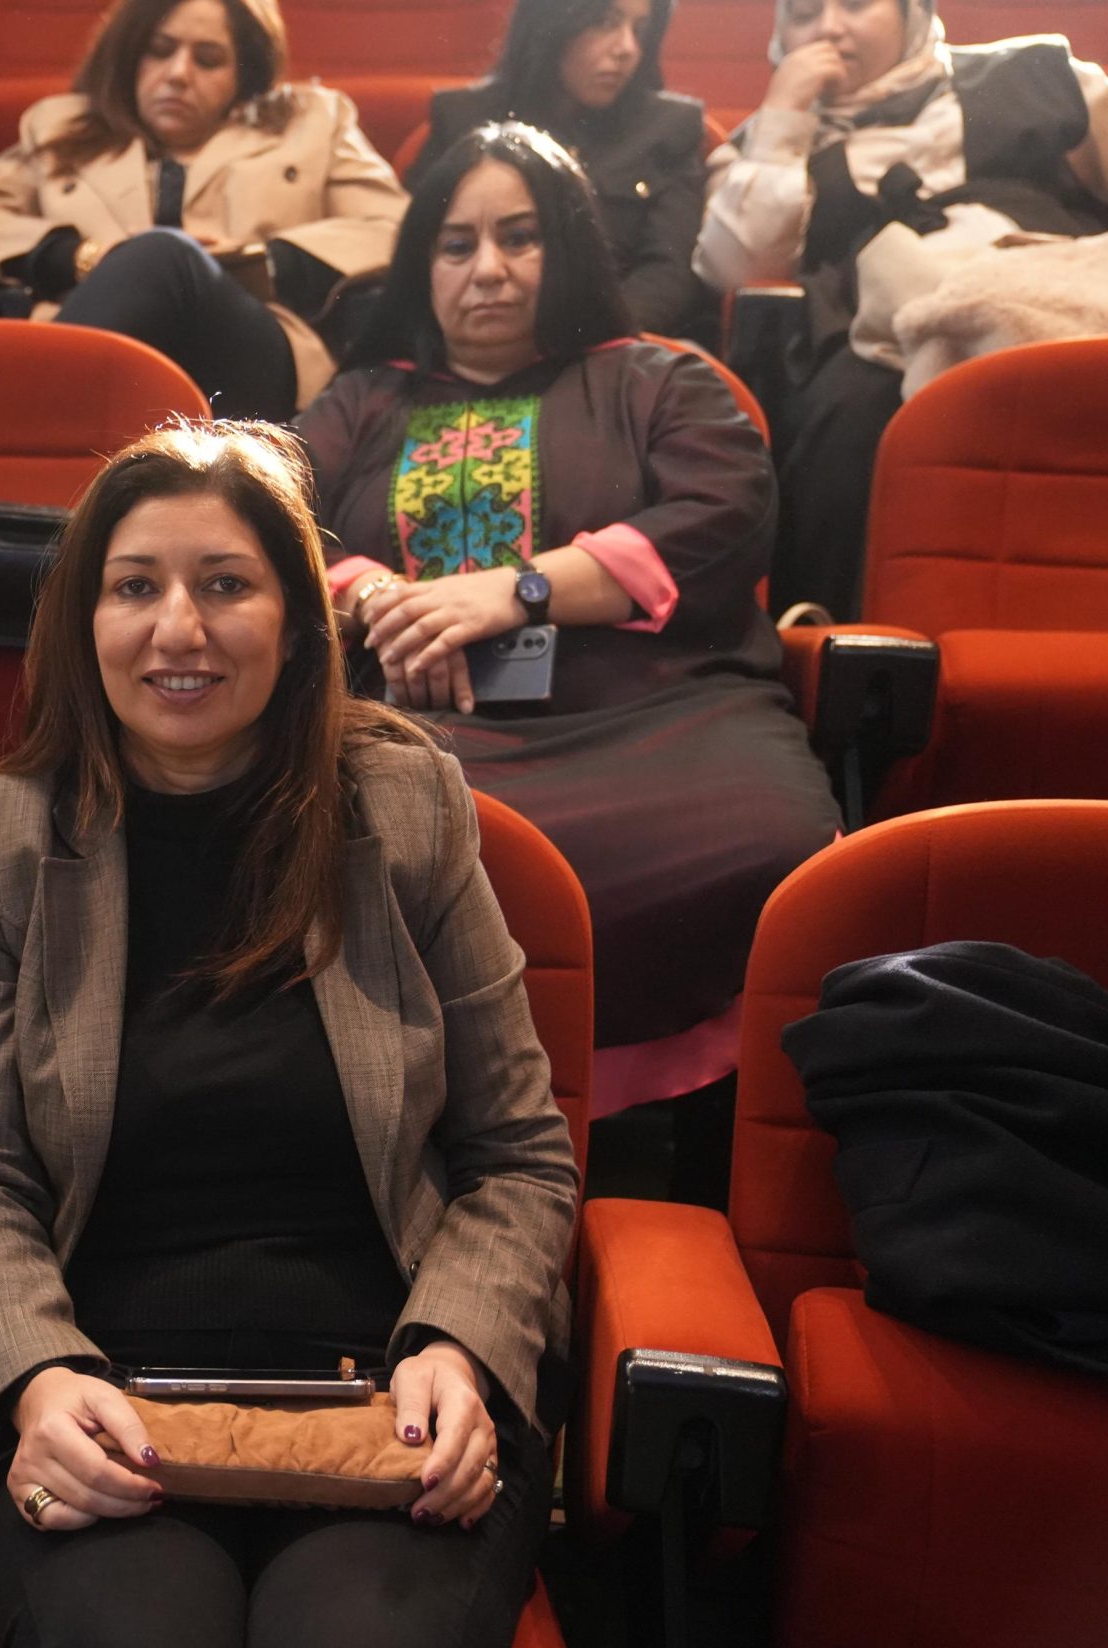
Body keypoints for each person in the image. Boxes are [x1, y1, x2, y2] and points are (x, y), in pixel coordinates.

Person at [0, 417, 578, 1648]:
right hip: (105, 1393)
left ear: (295, 621)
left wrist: (459, 1343)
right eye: (135, 586)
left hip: (385, 1389)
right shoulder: (0, 837)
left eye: (224, 583)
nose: (179, 628)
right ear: (83, 621)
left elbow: (517, 1154)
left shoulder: (406, 803)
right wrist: (36, 1370)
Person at [299, 122, 839, 1088]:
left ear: (573, 247)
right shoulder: (360, 402)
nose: (489, 269)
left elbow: (724, 516)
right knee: (341, 830)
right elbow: (272, 521)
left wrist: (518, 590)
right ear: (422, 264)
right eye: (457, 245)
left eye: (522, 237)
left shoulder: (661, 378)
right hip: (419, 729)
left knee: (774, 842)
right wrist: (379, 596)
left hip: (659, 717)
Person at [694, 0, 1108, 618]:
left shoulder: (1044, 75)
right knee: (849, 419)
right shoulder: (760, 149)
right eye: (804, 14)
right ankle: (840, 646)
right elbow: (739, 270)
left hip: (1066, 291)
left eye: (856, 5)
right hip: (883, 336)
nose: (829, 27)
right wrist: (783, 119)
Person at [0, 0, 406, 419]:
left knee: (165, 256)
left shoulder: (313, 122)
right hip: (101, 352)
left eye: (208, 59)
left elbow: (397, 227)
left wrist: (264, 260)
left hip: (246, 355)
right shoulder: (59, 127)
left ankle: (12, 431)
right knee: (156, 257)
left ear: (244, 73)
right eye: (159, 50)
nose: (178, 73)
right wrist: (85, 256)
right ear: (129, 55)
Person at [417, 0, 711, 339]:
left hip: (612, 343)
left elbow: (666, 273)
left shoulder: (669, 127)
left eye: (639, 29)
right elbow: (420, 253)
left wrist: (586, 346)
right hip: (476, 340)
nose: (627, 48)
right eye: (605, 22)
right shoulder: (462, 117)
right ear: (553, 23)